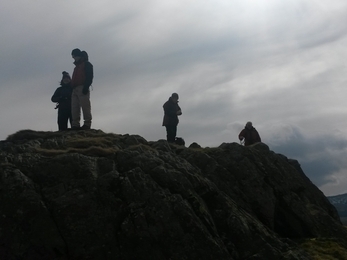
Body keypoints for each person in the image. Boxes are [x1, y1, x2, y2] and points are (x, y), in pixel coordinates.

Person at [70, 48, 94, 130]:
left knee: (85, 106)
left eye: (74, 56)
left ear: (78, 56)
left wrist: (86, 86)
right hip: (75, 89)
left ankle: (87, 124)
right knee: (75, 108)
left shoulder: (87, 64)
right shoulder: (77, 67)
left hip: (82, 87)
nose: (74, 58)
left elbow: (90, 77)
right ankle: (75, 125)